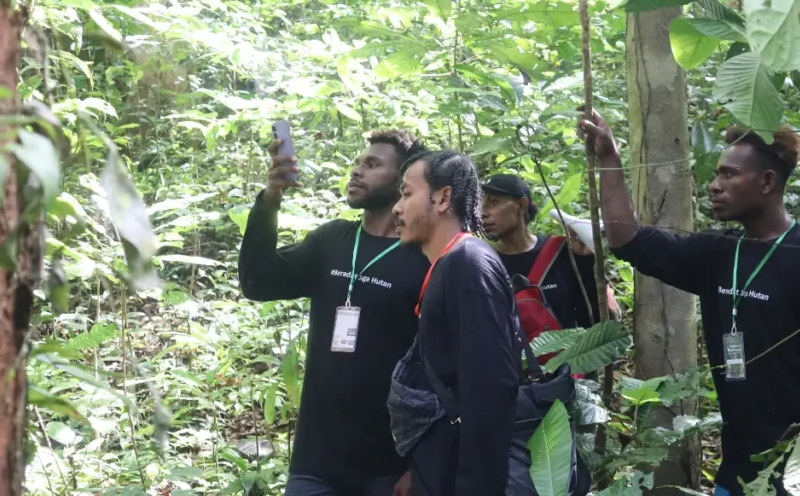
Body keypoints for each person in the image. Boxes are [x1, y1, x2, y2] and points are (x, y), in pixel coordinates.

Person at [579, 108, 800, 496]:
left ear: (767, 182)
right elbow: (626, 239)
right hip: (737, 467)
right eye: (716, 173)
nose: (714, 185)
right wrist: (610, 157)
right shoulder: (717, 252)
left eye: (729, 174)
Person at [238, 130, 430, 496]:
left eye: (373, 165)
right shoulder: (332, 241)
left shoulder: (423, 257)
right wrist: (271, 199)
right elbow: (258, 282)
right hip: (317, 462)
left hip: (389, 465)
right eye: (358, 162)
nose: (357, 171)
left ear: (404, 181)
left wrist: (419, 465)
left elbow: (440, 367)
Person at [387, 151, 520, 496]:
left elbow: (490, 389)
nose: (397, 208)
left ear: (443, 198)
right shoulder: (451, 263)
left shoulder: (468, 263)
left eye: (406, 193)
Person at [481, 174, 621, 360]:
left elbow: (599, 322)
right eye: (480, 204)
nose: (482, 212)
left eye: (493, 202)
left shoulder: (561, 253)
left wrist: (588, 263)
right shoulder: (484, 264)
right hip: (514, 381)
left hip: (570, 376)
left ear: (521, 206)